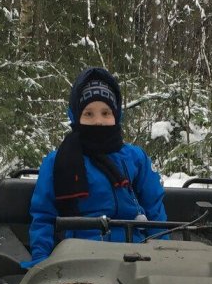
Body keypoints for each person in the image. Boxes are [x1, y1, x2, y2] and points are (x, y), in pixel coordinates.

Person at [22, 67, 167, 268]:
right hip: (80, 255)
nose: (98, 121)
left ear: (117, 115)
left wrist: (163, 255)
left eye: (105, 113)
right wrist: (41, 263)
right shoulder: (58, 162)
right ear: (76, 116)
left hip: (135, 253)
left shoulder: (135, 158)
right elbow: (44, 217)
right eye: (88, 114)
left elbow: (154, 211)